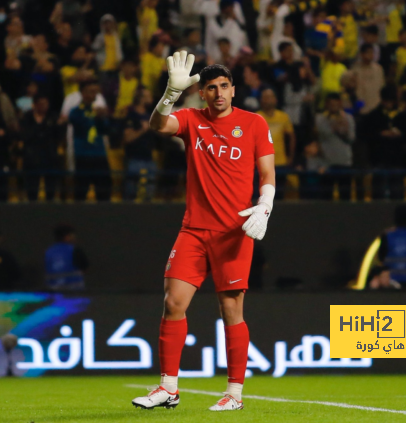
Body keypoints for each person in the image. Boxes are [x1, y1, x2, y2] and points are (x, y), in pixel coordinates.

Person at [132, 52, 275, 412]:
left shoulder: (254, 123)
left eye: (224, 86)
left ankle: (235, 395)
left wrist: (266, 206)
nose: (218, 93)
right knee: (173, 303)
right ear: (202, 94)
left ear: (233, 90)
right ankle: (168, 388)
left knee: (231, 309)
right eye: (211, 88)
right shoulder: (192, 120)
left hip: (234, 231)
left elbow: (268, 174)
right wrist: (169, 94)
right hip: (194, 230)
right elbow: (157, 126)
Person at [68, 79, 111, 201]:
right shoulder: (75, 112)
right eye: (90, 92)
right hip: (83, 156)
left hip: (100, 155)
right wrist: (96, 116)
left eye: (95, 92)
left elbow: (105, 130)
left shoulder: (99, 111)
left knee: (104, 192)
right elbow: (79, 124)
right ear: (82, 93)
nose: (93, 95)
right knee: (80, 193)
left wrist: (102, 119)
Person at [20, 93, 63, 201]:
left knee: (50, 189)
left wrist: (59, 125)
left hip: (50, 156)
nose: (43, 106)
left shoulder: (53, 117)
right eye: (40, 104)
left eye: (45, 104)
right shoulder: (27, 117)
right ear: (34, 104)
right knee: (32, 188)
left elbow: (58, 136)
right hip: (32, 157)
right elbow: (25, 135)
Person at [315, 93, 355, 200]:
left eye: (336, 104)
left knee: (345, 198)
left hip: (344, 162)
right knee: (326, 197)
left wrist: (344, 131)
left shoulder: (348, 119)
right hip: (326, 163)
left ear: (340, 104)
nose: (333, 107)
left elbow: (351, 138)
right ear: (326, 105)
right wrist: (334, 125)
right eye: (331, 104)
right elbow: (322, 133)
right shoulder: (320, 119)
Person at [123, 88, 156, 201]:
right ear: (141, 99)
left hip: (149, 158)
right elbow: (127, 138)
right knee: (131, 192)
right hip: (134, 158)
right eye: (148, 96)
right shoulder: (131, 116)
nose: (151, 99)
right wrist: (142, 129)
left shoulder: (150, 116)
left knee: (149, 194)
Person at [44, 224, 89, 290]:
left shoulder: (48, 252)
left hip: (54, 292)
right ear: (67, 236)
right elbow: (85, 267)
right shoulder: (75, 250)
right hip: (74, 292)